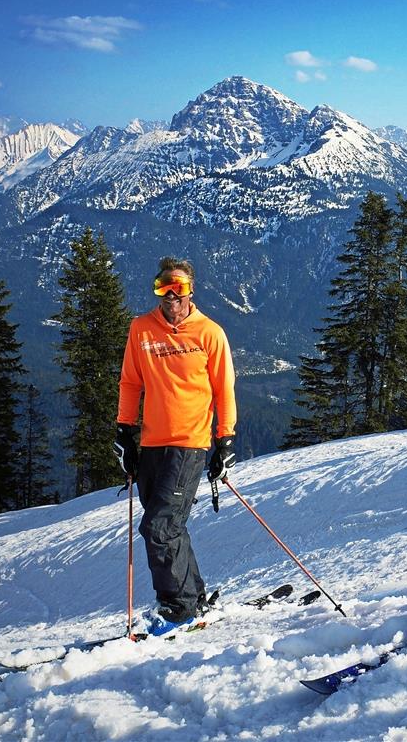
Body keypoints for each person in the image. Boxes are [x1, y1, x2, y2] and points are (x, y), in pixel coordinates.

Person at [114, 257, 238, 635]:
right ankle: (191, 596)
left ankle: (179, 610)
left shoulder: (209, 333)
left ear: (191, 290)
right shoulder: (141, 330)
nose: (170, 296)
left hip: (190, 443)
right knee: (168, 528)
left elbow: (223, 390)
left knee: (159, 527)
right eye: (163, 288)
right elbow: (130, 383)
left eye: (178, 288)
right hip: (152, 443)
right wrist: (124, 431)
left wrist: (225, 439)